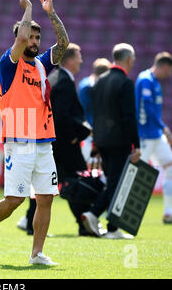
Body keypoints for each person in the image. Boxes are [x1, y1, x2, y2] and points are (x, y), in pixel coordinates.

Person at [0, 0, 69, 266]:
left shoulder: (40, 65)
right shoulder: (9, 63)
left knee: (46, 199)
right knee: (14, 200)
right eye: (31, 36)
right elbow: (20, 37)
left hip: (44, 141)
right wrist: (28, 9)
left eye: (38, 37)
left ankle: (36, 254)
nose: (34, 41)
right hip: (19, 141)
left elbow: (64, 43)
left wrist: (50, 13)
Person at [81, 43, 141, 239]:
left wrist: (97, 143)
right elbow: (129, 117)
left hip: (102, 140)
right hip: (119, 141)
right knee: (118, 182)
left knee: (114, 181)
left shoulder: (99, 81)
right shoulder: (125, 83)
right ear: (129, 60)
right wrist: (136, 145)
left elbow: (96, 115)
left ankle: (106, 223)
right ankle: (100, 218)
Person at [51, 43, 101, 237]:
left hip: (55, 144)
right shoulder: (63, 81)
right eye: (79, 56)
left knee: (49, 182)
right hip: (66, 145)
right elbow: (61, 115)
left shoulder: (55, 77)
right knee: (79, 181)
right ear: (70, 59)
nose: (81, 60)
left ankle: (30, 222)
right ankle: (84, 223)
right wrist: (72, 137)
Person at [135, 52, 172, 224]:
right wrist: (165, 128)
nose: (170, 74)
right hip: (144, 135)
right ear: (164, 66)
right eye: (169, 70)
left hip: (155, 135)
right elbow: (147, 109)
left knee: (171, 168)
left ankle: (168, 213)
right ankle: (113, 210)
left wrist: (161, 129)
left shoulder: (154, 82)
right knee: (135, 174)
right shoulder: (145, 80)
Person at [78, 58, 111, 161]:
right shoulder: (86, 88)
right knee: (87, 162)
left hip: (99, 133)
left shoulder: (87, 84)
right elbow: (81, 112)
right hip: (89, 134)